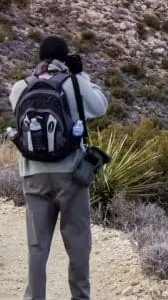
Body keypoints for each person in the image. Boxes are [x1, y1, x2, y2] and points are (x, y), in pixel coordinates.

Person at [8, 35, 108, 300]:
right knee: (77, 244)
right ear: (66, 58)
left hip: (33, 174)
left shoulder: (21, 87)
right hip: (70, 175)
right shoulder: (74, 82)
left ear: (40, 57)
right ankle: (80, 296)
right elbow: (101, 106)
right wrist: (81, 74)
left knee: (37, 246)